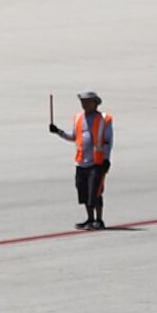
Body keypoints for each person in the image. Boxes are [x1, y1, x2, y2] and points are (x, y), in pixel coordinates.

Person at [50, 91, 113, 230]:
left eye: (88, 101)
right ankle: (90, 219)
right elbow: (73, 137)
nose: (84, 104)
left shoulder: (104, 119)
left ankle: (99, 219)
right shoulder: (78, 118)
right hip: (81, 162)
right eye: (83, 102)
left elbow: (108, 141)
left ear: (95, 103)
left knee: (95, 192)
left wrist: (106, 159)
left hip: (97, 162)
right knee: (84, 192)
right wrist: (58, 132)